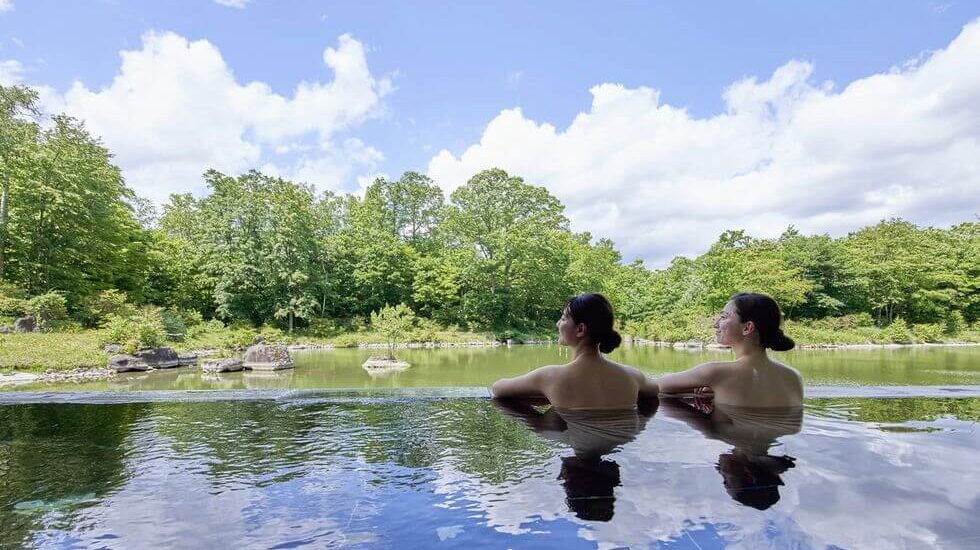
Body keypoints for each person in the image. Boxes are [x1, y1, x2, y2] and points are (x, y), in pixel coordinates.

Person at [491, 293, 660, 409]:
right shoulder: (632, 377)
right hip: (618, 450)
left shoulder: (549, 377)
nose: (558, 324)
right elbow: (654, 389)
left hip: (574, 442)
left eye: (563, 318)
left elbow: (498, 388)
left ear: (580, 329)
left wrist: (542, 397)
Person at [657, 293, 803, 408]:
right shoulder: (794, 377)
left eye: (723, 317)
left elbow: (651, 387)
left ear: (747, 328)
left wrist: (705, 425)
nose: (716, 324)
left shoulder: (716, 373)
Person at [659, 397, 802, 510]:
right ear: (748, 475)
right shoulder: (716, 431)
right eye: (726, 481)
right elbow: (662, 397)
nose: (720, 472)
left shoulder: (777, 433)